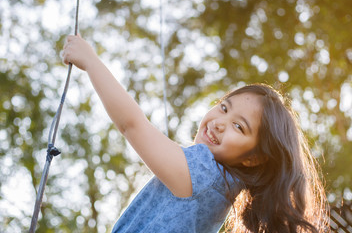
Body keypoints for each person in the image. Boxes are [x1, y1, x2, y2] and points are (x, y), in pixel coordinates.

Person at [62, 34, 329, 232]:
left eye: (239, 126)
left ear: (253, 158)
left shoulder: (207, 175)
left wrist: (91, 61)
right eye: (224, 108)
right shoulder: (221, 189)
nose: (220, 122)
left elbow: (131, 125)